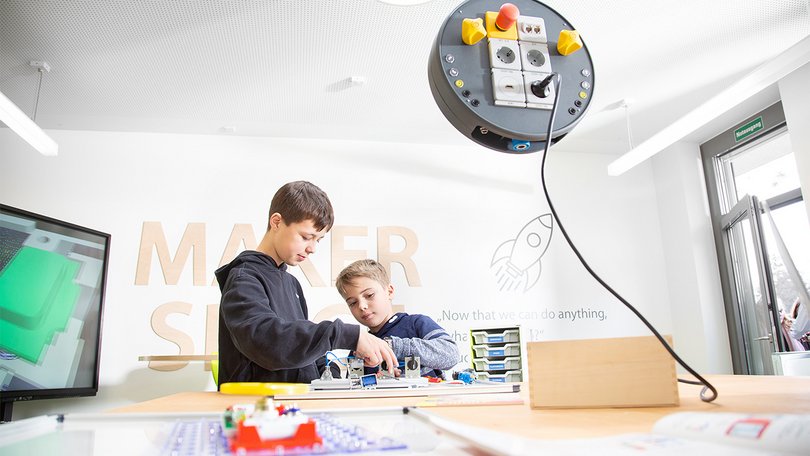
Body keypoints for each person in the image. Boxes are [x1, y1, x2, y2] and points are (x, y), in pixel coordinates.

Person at [216, 181, 396, 386]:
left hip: (296, 405)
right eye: (305, 237)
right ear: (276, 222)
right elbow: (266, 342)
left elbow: (298, 348)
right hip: (259, 409)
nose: (312, 248)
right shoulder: (244, 278)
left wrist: (328, 371)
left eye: (318, 240)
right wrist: (347, 335)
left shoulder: (292, 284)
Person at [335, 259, 460, 378]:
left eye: (369, 295)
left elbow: (451, 355)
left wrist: (391, 346)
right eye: (352, 303)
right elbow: (355, 392)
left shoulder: (417, 323)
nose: (362, 306)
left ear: (389, 291)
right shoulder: (360, 348)